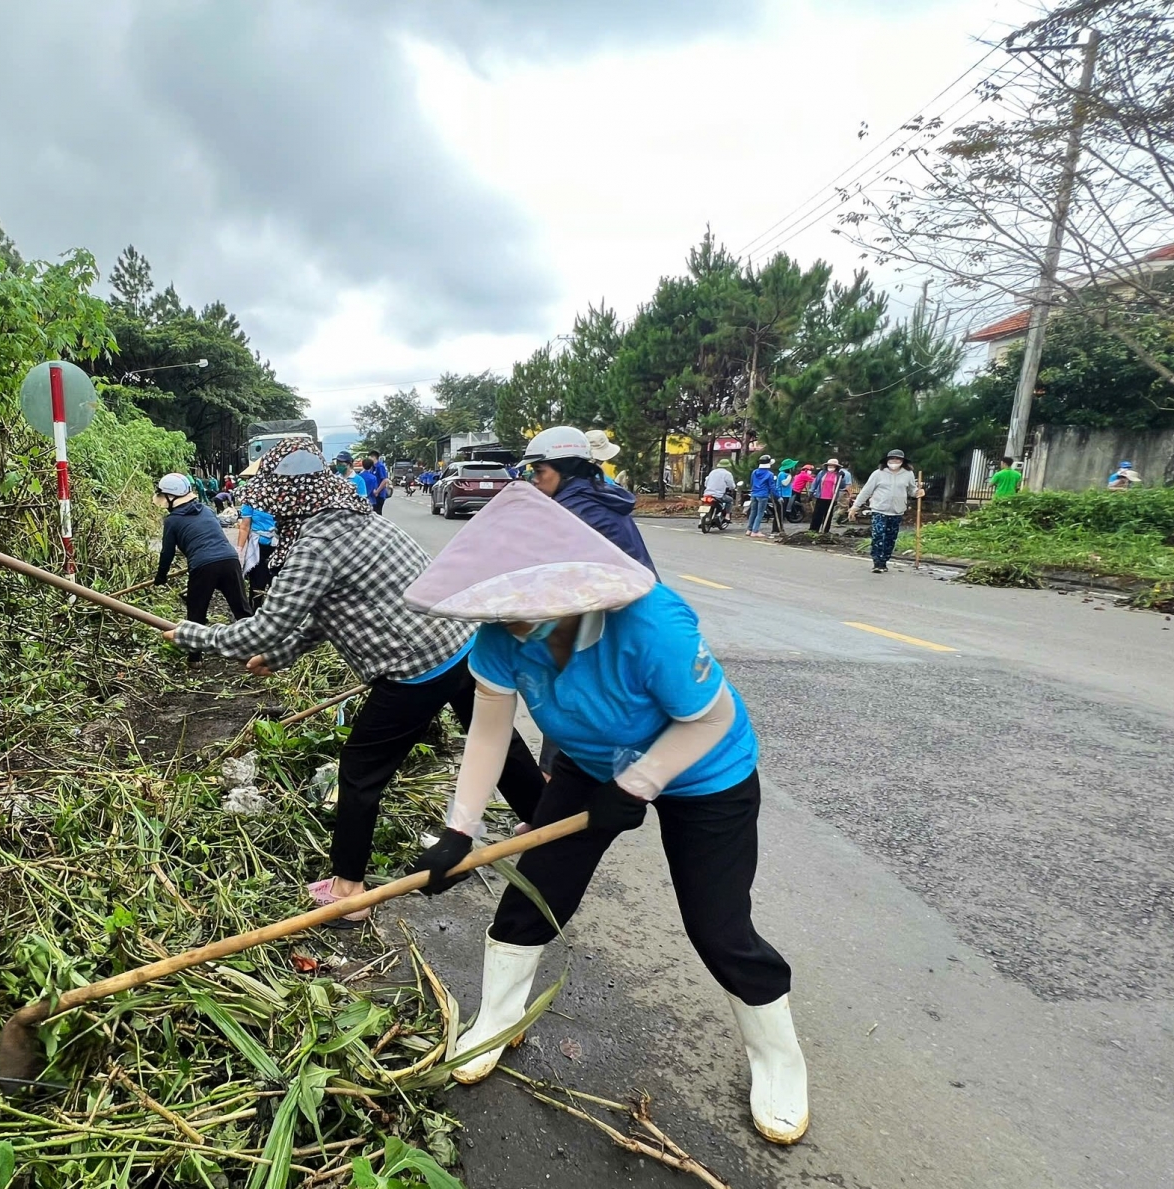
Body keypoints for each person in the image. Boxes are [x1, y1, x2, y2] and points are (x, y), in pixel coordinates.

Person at [400, 482, 808, 1145]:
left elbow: (712, 718)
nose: (498, 613)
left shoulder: (649, 624)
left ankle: (778, 1058)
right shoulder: (505, 634)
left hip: (706, 772)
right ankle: (497, 1020)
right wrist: (458, 828)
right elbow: (489, 731)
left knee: (718, 925)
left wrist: (642, 782)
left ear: (562, 586)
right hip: (592, 765)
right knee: (533, 893)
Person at [166, 439, 544, 924]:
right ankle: (543, 816)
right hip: (464, 643)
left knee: (361, 769)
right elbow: (325, 616)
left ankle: (349, 889)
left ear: (286, 496)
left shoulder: (316, 545)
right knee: (495, 739)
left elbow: (264, 627)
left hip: (415, 665)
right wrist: (278, 656)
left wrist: (195, 634)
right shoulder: (358, 516)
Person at [520, 426, 657, 575]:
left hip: (629, 594)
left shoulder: (577, 511)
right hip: (639, 590)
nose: (534, 479)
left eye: (539, 471)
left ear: (565, 470)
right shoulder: (594, 493)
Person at [154, 473, 251, 622]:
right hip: (230, 560)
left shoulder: (172, 521)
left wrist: (161, 575)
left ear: (171, 497)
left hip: (203, 565)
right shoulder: (207, 510)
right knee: (243, 611)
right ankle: (256, 641)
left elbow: (167, 552)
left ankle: (194, 644)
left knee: (196, 616)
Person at [848, 449, 924, 573]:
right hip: (879, 509)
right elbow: (866, 491)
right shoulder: (878, 474)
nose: (895, 461)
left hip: (897, 511)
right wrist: (855, 507)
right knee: (878, 535)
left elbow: (911, 490)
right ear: (887, 461)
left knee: (890, 538)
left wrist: (918, 493)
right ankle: (877, 562)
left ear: (902, 461)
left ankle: (884, 561)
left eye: (898, 459)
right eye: (892, 459)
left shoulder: (908, 474)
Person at [235, 462, 278, 606]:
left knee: (278, 584)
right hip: (259, 546)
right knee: (257, 584)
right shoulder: (251, 499)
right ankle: (254, 613)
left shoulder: (284, 495)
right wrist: (240, 551)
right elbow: (244, 526)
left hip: (280, 546)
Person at [746, 455, 780, 537]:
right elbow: (772, 487)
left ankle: (749, 530)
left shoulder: (754, 472)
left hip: (754, 494)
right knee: (760, 513)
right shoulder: (770, 474)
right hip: (763, 495)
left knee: (753, 512)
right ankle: (755, 531)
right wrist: (778, 496)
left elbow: (751, 482)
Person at [810, 458, 847, 531]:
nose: (831, 467)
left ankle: (825, 530)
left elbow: (842, 486)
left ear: (836, 467)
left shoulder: (838, 475)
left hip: (831, 498)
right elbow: (815, 483)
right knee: (817, 514)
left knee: (828, 514)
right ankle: (814, 530)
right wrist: (811, 492)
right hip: (821, 496)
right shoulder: (822, 473)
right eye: (829, 465)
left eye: (833, 465)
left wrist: (842, 478)